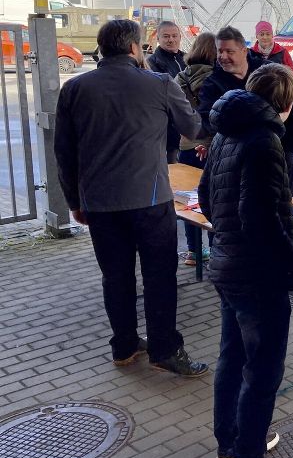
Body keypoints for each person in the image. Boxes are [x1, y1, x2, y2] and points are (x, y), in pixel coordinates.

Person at [54, 19, 208, 377]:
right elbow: (194, 128)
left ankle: (123, 346)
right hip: (149, 200)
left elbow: (64, 152)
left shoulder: (75, 88)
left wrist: (74, 200)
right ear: (135, 48)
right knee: (159, 276)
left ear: (101, 48)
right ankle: (164, 349)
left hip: (99, 204)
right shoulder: (158, 83)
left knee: (116, 276)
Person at [198, 63, 293, 458]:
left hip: (227, 262)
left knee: (233, 357)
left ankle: (232, 442)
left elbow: (208, 196)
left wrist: (226, 237)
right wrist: (292, 264)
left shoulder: (228, 129)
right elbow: (262, 217)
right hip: (257, 276)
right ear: (284, 103)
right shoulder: (263, 140)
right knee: (263, 372)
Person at [199, 26, 293, 198]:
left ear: (243, 50)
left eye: (229, 51)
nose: (223, 57)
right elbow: (210, 121)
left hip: (281, 154)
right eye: (220, 51)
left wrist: (288, 148)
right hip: (237, 161)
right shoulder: (212, 84)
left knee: (288, 206)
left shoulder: (268, 71)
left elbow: (291, 106)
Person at [173, 31, 216, 268]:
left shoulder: (180, 77)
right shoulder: (216, 77)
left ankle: (193, 252)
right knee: (211, 198)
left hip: (187, 144)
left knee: (190, 201)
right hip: (209, 145)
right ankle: (215, 248)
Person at [146, 20, 187, 163]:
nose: (171, 40)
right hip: (168, 130)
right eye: (166, 36)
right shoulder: (151, 63)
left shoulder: (187, 59)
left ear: (180, 37)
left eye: (175, 36)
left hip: (189, 125)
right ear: (158, 39)